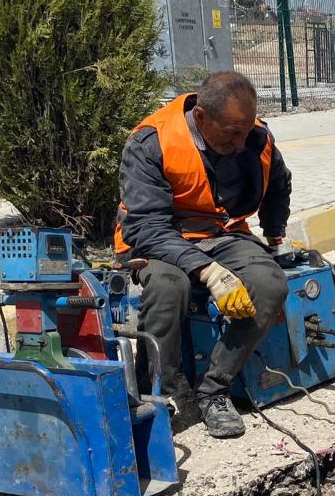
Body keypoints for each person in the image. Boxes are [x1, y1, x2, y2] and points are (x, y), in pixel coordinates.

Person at [115, 71, 292, 438]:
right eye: (231, 133)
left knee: (269, 284)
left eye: (245, 130)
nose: (241, 142)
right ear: (201, 117)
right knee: (168, 288)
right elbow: (146, 226)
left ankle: (214, 389)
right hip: (160, 238)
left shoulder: (254, 136)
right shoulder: (152, 141)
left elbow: (278, 182)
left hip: (222, 233)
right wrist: (209, 272)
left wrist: (275, 232)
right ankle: (156, 393)